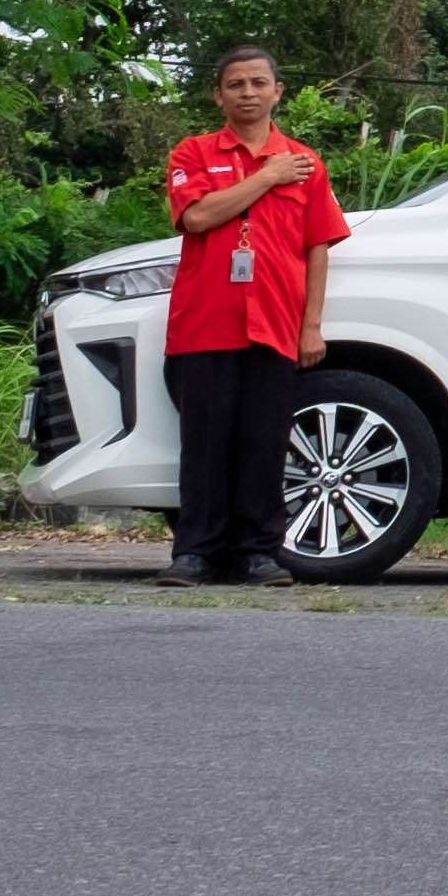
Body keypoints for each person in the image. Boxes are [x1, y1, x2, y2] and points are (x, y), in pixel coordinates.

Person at [161, 42, 345, 586]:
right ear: (218, 95)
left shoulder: (306, 163)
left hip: (274, 324)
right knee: (204, 445)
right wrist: (266, 176)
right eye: (236, 84)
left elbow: (318, 246)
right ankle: (194, 554)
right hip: (204, 323)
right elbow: (197, 217)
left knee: (264, 444)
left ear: (277, 91)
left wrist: (310, 326)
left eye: (258, 83)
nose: (248, 93)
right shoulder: (193, 154)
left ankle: (260, 553)